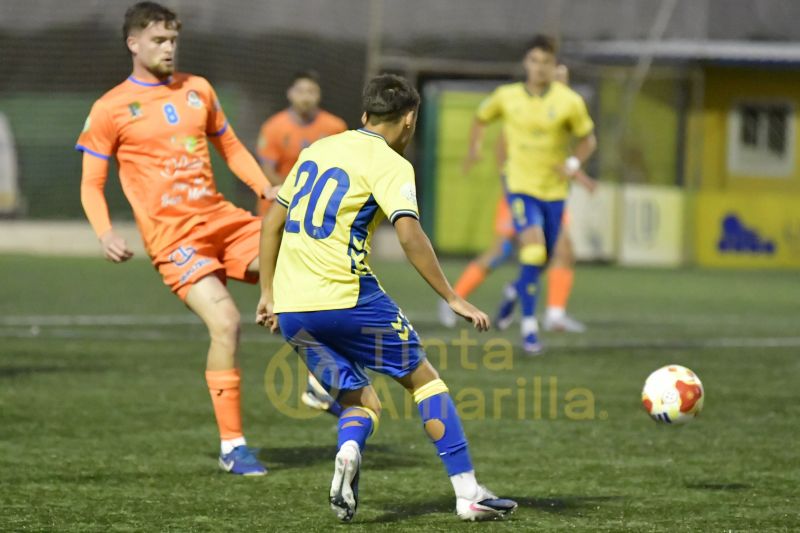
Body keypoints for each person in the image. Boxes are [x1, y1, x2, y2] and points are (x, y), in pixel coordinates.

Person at [256, 74, 517, 522]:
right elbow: (410, 234)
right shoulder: (392, 163)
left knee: (363, 403)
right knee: (424, 381)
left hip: (293, 304)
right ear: (410, 120)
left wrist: (266, 293)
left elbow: (270, 224)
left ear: (364, 114)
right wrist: (452, 296)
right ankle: (468, 493)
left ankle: (349, 449)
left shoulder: (315, 150)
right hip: (348, 296)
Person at [76, 1, 269, 475]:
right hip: (174, 239)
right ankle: (232, 446)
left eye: (173, 39)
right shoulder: (110, 108)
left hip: (224, 221)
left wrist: (264, 187)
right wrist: (104, 232)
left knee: (301, 262)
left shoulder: (198, 89)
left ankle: (320, 381)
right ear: (134, 43)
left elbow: (230, 146)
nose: (169, 48)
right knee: (226, 323)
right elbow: (90, 184)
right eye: (159, 40)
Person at [463, 36, 597, 355]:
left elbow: (587, 140)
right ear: (526, 63)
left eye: (546, 62)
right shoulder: (506, 97)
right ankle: (530, 330)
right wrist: (475, 148)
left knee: (544, 259)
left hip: (554, 192)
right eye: (534, 61)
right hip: (520, 187)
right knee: (532, 252)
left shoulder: (569, 102)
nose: (540, 68)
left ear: (555, 67)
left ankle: (513, 293)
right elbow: (482, 118)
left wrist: (574, 164)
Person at [255, 70, 347, 216]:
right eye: (300, 91)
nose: (305, 97)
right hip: (278, 205)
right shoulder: (273, 127)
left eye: (311, 92)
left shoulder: (335, 127)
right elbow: (267, 171)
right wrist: (296, 192)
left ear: (319, 95)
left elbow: (343, 168)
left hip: (318, 207)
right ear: (289, 93)